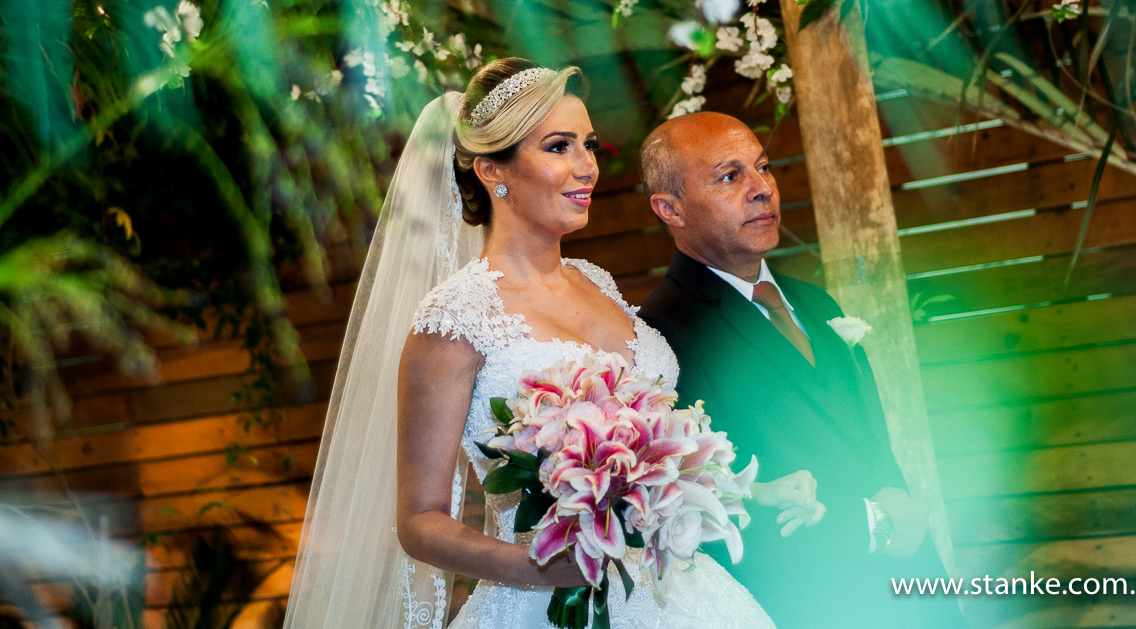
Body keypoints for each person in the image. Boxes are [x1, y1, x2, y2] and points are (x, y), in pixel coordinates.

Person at [283, 60, 814, 629]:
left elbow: (655, 462)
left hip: (679, 595)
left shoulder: (600, 284)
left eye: (587, 145)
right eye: (559, 147)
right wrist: (534, 565)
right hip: (544, 606)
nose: (587, 166)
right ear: (493, 170)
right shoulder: (456, 318)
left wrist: (749, 492)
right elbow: (420, 519)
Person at [636, 112, 966, 629]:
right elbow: (705, 512)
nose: (761, 189)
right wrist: (871, 523)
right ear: (670, 208)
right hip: (804, 605)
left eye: (763, 168)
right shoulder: (661, 336)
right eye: (729, 176)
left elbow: (866, 441)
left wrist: (906, 520)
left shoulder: (814, 301)